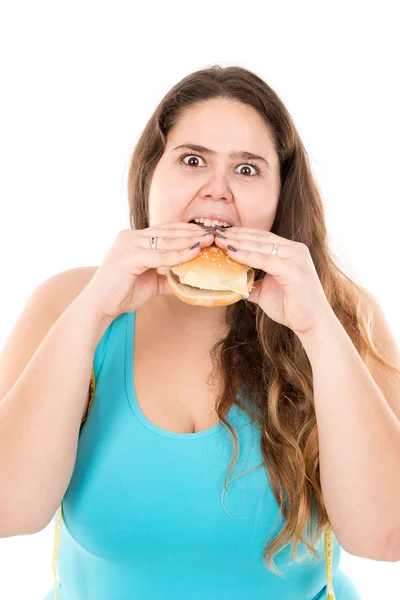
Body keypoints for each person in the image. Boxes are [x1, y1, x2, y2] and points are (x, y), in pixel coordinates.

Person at [1, 65, 399, 600]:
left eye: (248, 170)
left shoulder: (344, 317)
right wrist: (94, 308)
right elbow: (8, 511)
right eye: (192, 161)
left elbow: (385, 537)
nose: (217, 191)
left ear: (282, 197)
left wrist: (319, 330)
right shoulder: (68, 304)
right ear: (150, 176)